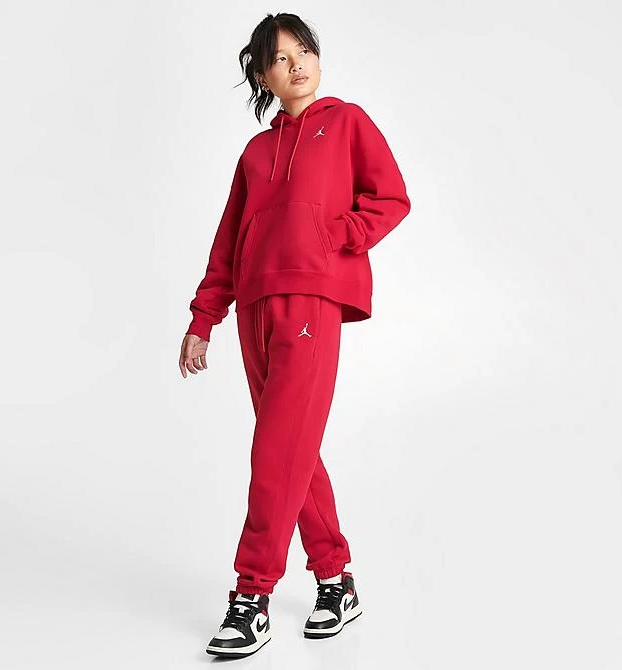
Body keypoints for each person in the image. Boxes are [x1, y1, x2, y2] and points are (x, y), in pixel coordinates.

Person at [178, 12, 411, 658]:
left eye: (304, 50)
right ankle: (336, 580)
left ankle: (251, 596)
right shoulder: (254, 154)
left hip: (311, 299)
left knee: (276, 449)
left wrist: (336, 236)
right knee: (292, 451)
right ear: (263, 76)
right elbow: (227, 243)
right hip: (254, 308)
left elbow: (391, 198)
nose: (297, 64)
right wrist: (204, 319)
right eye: (280, 58)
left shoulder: (349, 123)